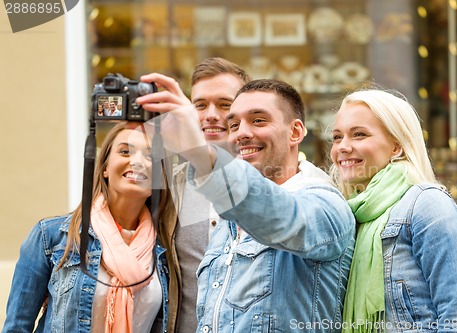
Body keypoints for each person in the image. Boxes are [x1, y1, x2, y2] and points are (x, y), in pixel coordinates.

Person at [137, 78, 356, 332]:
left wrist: (198, 150)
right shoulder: (228, 221)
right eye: (234, 124)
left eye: (258, 120)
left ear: (295, 132)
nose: (241, 133)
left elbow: (283, 217)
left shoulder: (326, 204)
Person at [329, 89, 457, 332]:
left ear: (396, 146)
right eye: (337, 137)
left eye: (359, 135)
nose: (343, 147)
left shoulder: (427, 205)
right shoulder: (351, 212)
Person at [2, 122, 174, 333]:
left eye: (150, 156)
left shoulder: (164, 251)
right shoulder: (51, 237)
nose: (137, 161)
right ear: (104, 168)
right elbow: (17, 326)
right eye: (125, 151)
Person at [142, 57, 251, 332]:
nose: (210, 114)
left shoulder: (270, 184)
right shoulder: (170, 186)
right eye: (200, 105)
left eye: (224, 104)